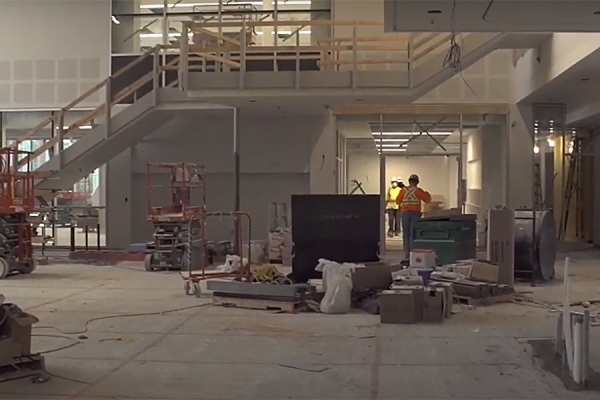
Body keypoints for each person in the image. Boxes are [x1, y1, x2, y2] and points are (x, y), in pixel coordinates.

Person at [396, 174, 431, 259]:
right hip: (415, 214)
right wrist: (427, 194)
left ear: (409, 181)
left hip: (405, 213)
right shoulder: (418, 191)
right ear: (417, 182)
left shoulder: (403, 191)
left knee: (406, 234)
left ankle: (406, 254)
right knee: (414, 234)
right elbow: (428, 200)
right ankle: (413, 252)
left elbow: (397, 201)